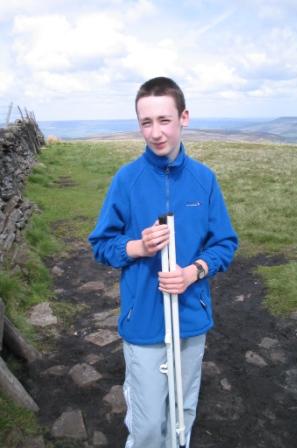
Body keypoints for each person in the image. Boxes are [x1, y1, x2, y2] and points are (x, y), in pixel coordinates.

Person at [88, 77, 238, 448]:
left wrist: (195, 271)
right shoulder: (127, 180)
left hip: (191, 317)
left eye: (164, 120)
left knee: (182, 413)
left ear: (184, 117)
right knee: (148, 421)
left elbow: (224, 243)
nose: (155, 133)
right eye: (146, 122)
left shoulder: (204, 180)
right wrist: (137, 247)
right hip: (143, 320)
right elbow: (101, 244)